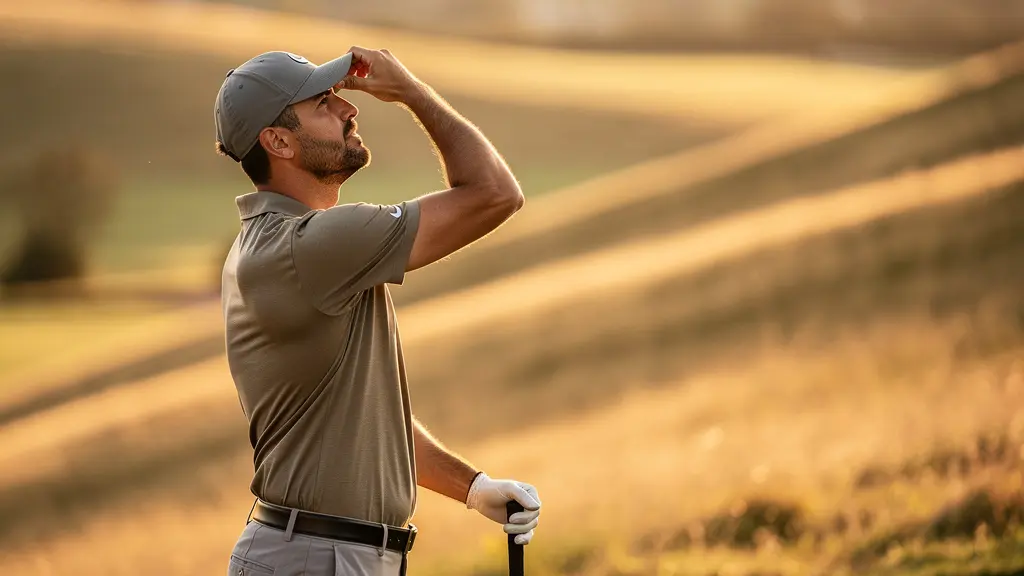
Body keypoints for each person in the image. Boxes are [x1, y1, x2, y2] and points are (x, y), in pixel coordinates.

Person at [213, 47, 541, 576]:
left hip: (316, 554)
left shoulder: (273, 244)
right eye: (323, 102)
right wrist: (412, 91)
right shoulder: (311, 246)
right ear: (278, 142)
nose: (349, 110)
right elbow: (496, 194)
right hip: (319, 558)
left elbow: (363, 425)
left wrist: (473, 488)